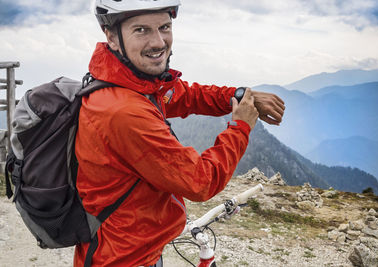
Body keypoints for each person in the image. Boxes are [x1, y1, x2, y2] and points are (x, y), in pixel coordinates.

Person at [74, 0, 285, 266]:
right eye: (141, 30)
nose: (159, 42)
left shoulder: (130, 84)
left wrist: (237, 96)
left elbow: (185, 96)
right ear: (112, 38)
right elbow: (201, 181)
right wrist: (240, 127)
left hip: (129, 249)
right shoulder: (124, 112)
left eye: (164, 27)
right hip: (125, 259)